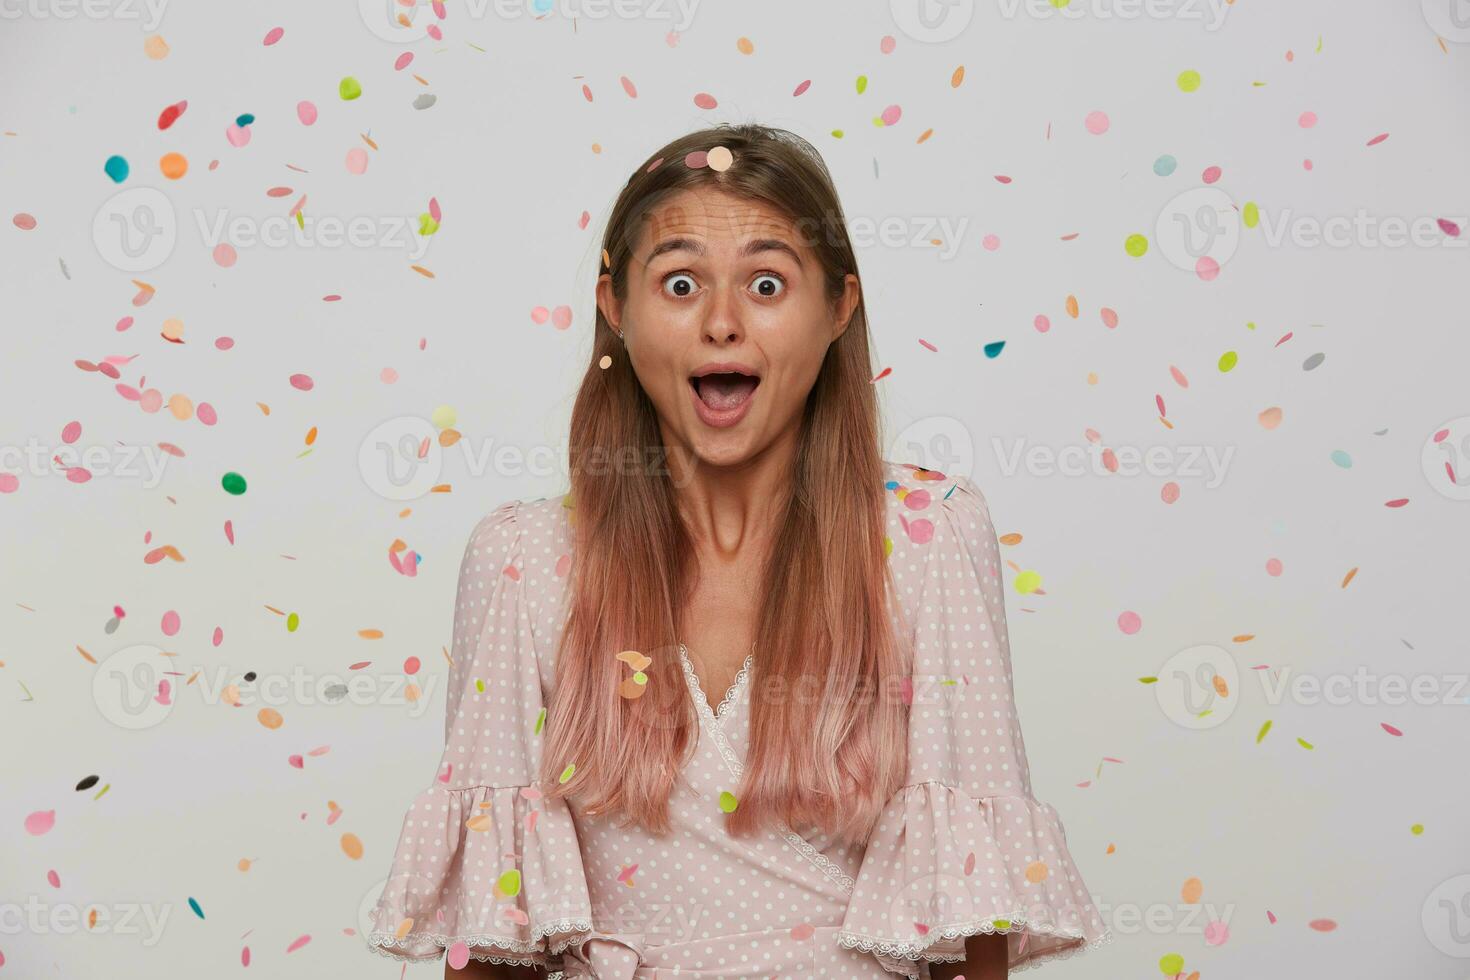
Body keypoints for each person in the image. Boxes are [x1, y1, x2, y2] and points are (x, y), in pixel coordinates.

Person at [366, 123, 1111, 979]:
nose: (722, 324)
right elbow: (490, 936)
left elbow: (975, 911)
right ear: (616, 308)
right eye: (680, 283)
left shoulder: (926, 537)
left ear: (838, 307)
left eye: (766, 284)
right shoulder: (523, 561)